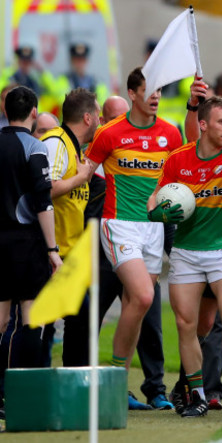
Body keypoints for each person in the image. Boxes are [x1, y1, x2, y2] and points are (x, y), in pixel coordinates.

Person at [149, 96, 222, 417]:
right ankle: (197, 395)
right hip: (186, 254)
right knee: (187, 325)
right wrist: (163, 213)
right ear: (203, 125)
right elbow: (153, 204)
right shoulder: (177, 160)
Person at [84, 68, 183, 408]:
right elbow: (84, 173)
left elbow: (178, 174)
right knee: (142, 297)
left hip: (154, 227)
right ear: (133, 94)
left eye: (159, 90)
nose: (156, 96)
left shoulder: (171, 133)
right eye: (149, 90)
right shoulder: (109, 133)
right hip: (118, 223)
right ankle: (112, 376)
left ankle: (118, 391)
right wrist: (52, 190)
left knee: (134, 306)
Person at [0, 86, 62, 420]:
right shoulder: (34, 148)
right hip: (25, 243)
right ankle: (20, 399)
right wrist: (52, 249)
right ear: (34, 112)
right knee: (30, 319)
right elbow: (43, 201)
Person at [41, 88, 99, 367]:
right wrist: (80, 179)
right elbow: (47, 188)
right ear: (88, 118)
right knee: (44, 323)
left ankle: (72, 385)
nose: (100, 119)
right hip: (52, 252)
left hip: (70, 254)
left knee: (80, 318)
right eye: (98, 113)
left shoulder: (76, 148)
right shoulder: (57, 142)